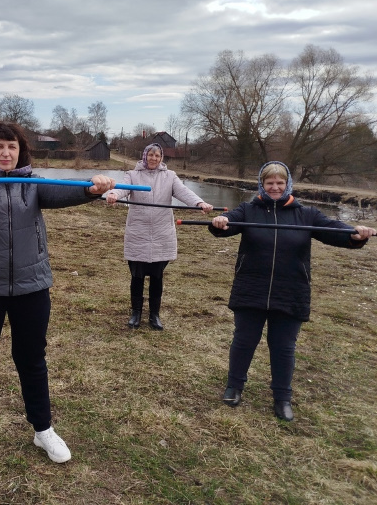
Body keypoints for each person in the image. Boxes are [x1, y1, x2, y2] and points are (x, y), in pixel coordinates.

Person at [0, 121, 115, 468]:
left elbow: (70, 193)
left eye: (11, 146)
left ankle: (43, 429)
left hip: (32, 287)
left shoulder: (35, 185)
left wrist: (93, 189)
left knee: (32, 360)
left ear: (20, 152)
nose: (5, 152)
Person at [209, 161, 375, 421]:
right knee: (244, 340)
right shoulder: (249, 210)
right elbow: (228, 224)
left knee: (284, 346)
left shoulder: (307, 214)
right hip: (251, 288)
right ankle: (234, 386)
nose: (275, 187)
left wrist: (354, 235)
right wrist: (220, 222)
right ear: (261, 185)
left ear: (288, 185)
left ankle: (282, 397)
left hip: (291, 290)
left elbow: (334, 229)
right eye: (269, 183)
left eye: (280, 183)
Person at [106, 143, 214, 330]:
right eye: (151, 155)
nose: (154, 158)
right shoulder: (133, 175)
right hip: (138, 233)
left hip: (161, 234)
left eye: (157, 156)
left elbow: (183, 192)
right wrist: (113, 194)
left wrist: (199, 202)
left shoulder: (170, 176)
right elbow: (121, 188)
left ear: (161, 158)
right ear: (145, 155)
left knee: (157, 276)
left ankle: (154, 314)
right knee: (137, 276)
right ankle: (136, 313)